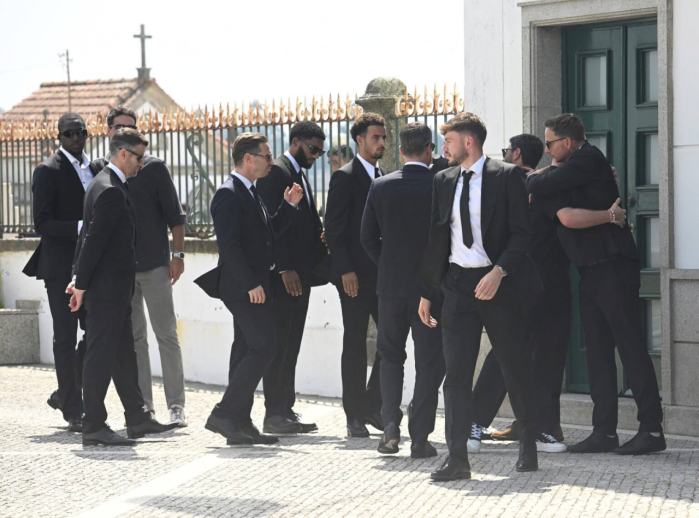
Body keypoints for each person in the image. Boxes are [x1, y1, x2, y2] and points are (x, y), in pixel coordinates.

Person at [469, 134, 627, 454]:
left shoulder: (551, 183)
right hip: (523, 282)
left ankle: (541, 428)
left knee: (543, 357)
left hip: (549, 283)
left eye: (506, 151)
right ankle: (479, 422)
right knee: (510, 355)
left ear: (516, 154)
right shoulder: (512, 181)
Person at [527, 113, 665, 456]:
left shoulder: (589, 158)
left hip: (613, 266)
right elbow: (543, 186)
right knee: (599, 351)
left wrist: (537, 178)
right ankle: (604, 431)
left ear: (568, 142)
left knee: (630, 346)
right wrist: (543, 176)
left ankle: (651, 429)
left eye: (550, 143)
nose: (546, 150)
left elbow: (543, 191)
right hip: (589, 270)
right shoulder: (570, 170)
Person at [418, 112, 541, 481]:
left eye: (449, 140)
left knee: (513, 367)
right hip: (457, 286)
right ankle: (457, 458)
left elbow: (522, 234)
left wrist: (499, 272)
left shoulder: (507, 176)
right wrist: (428, 293)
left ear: (468, 141)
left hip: (498, 285)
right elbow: (437, 239)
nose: (443, 147)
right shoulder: (442, 179)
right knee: (455, 375)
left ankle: (528, 444)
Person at [68, 129, 178, 446]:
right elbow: (92, 242)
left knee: (124, 355)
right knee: (100, 357)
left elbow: (87, 237)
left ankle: (137, 417)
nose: (142, 163)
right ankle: (93, 425)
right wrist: (80, 284)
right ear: (123, 154)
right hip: (106, 292)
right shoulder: (110, 190)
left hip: (116, 291)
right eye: (139, 157)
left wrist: (77, 277)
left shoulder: (105, 183)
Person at [195, 133, 303, 446]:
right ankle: (225, 414)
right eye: (266, 156)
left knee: (245, 350)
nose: (271, 161)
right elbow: (229, 247)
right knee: (264, 348)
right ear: (248, 158)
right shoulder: (228, 194)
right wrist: (251, 284)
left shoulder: (250, 191)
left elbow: (267, 235)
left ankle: (240, 422)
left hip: (255, 284)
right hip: (243, 287)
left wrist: (289, 206)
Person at [91, 106, 188, 427]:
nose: (124, 131)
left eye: (130, 126)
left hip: (155, 266)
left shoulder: (154, 168)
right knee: (135, 341)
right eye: (118, 127)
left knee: (166, 336)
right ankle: (144, 408)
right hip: (121, 273)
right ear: (110, 134)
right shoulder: (102, 171)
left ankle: (176, 405)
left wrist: (178, 255)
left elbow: (175, 216)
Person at [360, 122, 445, 458]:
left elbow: (367, 237)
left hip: (391, 287)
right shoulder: (440, 184)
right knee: (429, 363)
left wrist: (388, 265)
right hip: (431, 289)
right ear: (429, 149)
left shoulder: (380, 185)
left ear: (400, 150)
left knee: (390, 356)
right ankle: (420, 437)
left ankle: (390, 426)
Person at [23, 113, 94, 432]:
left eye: (80, 132)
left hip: (92, 266)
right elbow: (42, 222)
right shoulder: (47, 170)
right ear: (59, 137)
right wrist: (81, 227)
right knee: (65, 337)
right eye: (69, 133)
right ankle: (73, 409)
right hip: (60, 268)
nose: (75, 138)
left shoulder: (97, 168)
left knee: (98, 332)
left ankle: (64, 392)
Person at [256, 122, 328, 434]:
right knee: (280, 345)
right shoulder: (278, 172)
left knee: (291, 344)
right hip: (284, 277)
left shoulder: (297, 172)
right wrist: (284, 268)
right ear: (295, 141)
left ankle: (285, 409)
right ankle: (274, 414)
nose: (316, 156)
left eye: (320, 151)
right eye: (313, 149)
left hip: (302, 275)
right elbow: (272, 226)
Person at [324, 113, 387, 438]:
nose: (382, 143)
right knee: (355, 343)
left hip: (382, 275)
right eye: (376, 137)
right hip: (353, 277)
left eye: (384, 137)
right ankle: (354, 415)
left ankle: (372, 405)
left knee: (390, 339)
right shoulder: (344, 177)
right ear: (360, 140)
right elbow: (334, 229)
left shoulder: (385, 176)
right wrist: (345, 270)